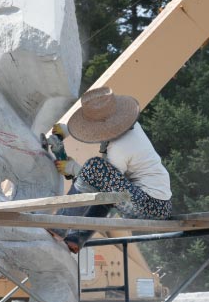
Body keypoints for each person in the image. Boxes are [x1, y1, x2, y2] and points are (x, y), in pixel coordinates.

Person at [52, 86, 172, 253]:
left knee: (95, 166)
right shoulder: (131, 128)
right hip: (158, 205)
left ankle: (60, 224)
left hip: (147, 206)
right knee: (106, 197)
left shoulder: (120, 148)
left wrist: (74, 169)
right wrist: (69, 130)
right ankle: (76, 238)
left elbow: (99, 179)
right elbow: (108, 181)